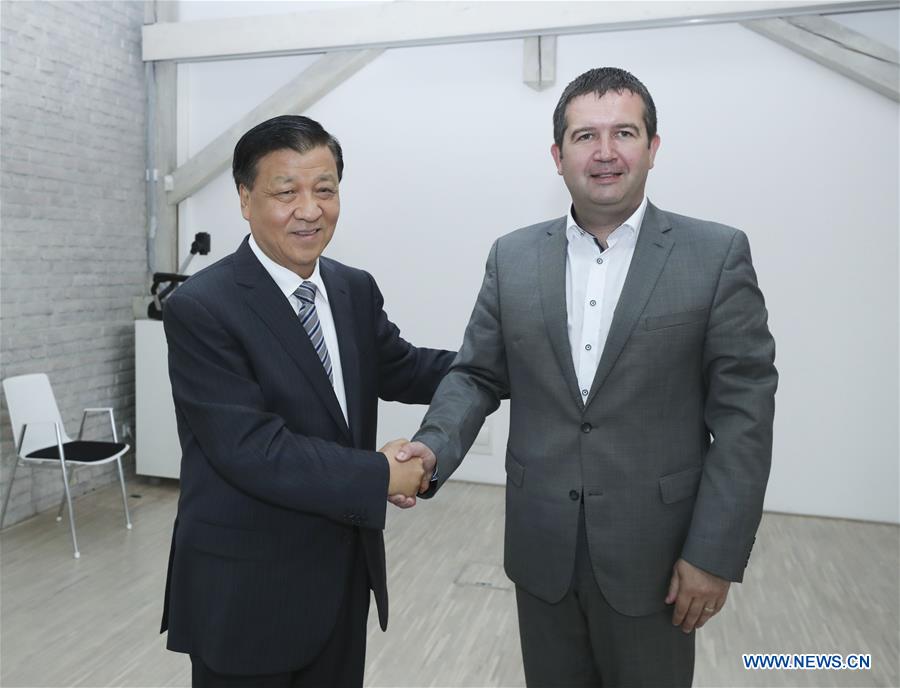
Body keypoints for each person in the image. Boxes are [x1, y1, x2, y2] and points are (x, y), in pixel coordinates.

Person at [394, 67, 777, 686]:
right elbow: (475, 375)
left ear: (653, 148)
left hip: (656, 556)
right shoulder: (512, 256)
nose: (604, 153)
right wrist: (432, 448)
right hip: (540, 548)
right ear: (557, 154)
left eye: (624, 133)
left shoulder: (715, 255)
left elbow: (744, 419)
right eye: (584, 136)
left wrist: (714, 554)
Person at [160, 114, 455, 687]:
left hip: (342, 580)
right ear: (245, 199)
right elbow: (253, 450)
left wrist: (511, 361)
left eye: (325, 189)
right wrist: (380, 475)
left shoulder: (351, 288)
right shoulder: (202, 307)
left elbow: (405, 368)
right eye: (285, 191)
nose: (310, 208)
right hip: (248, 596)